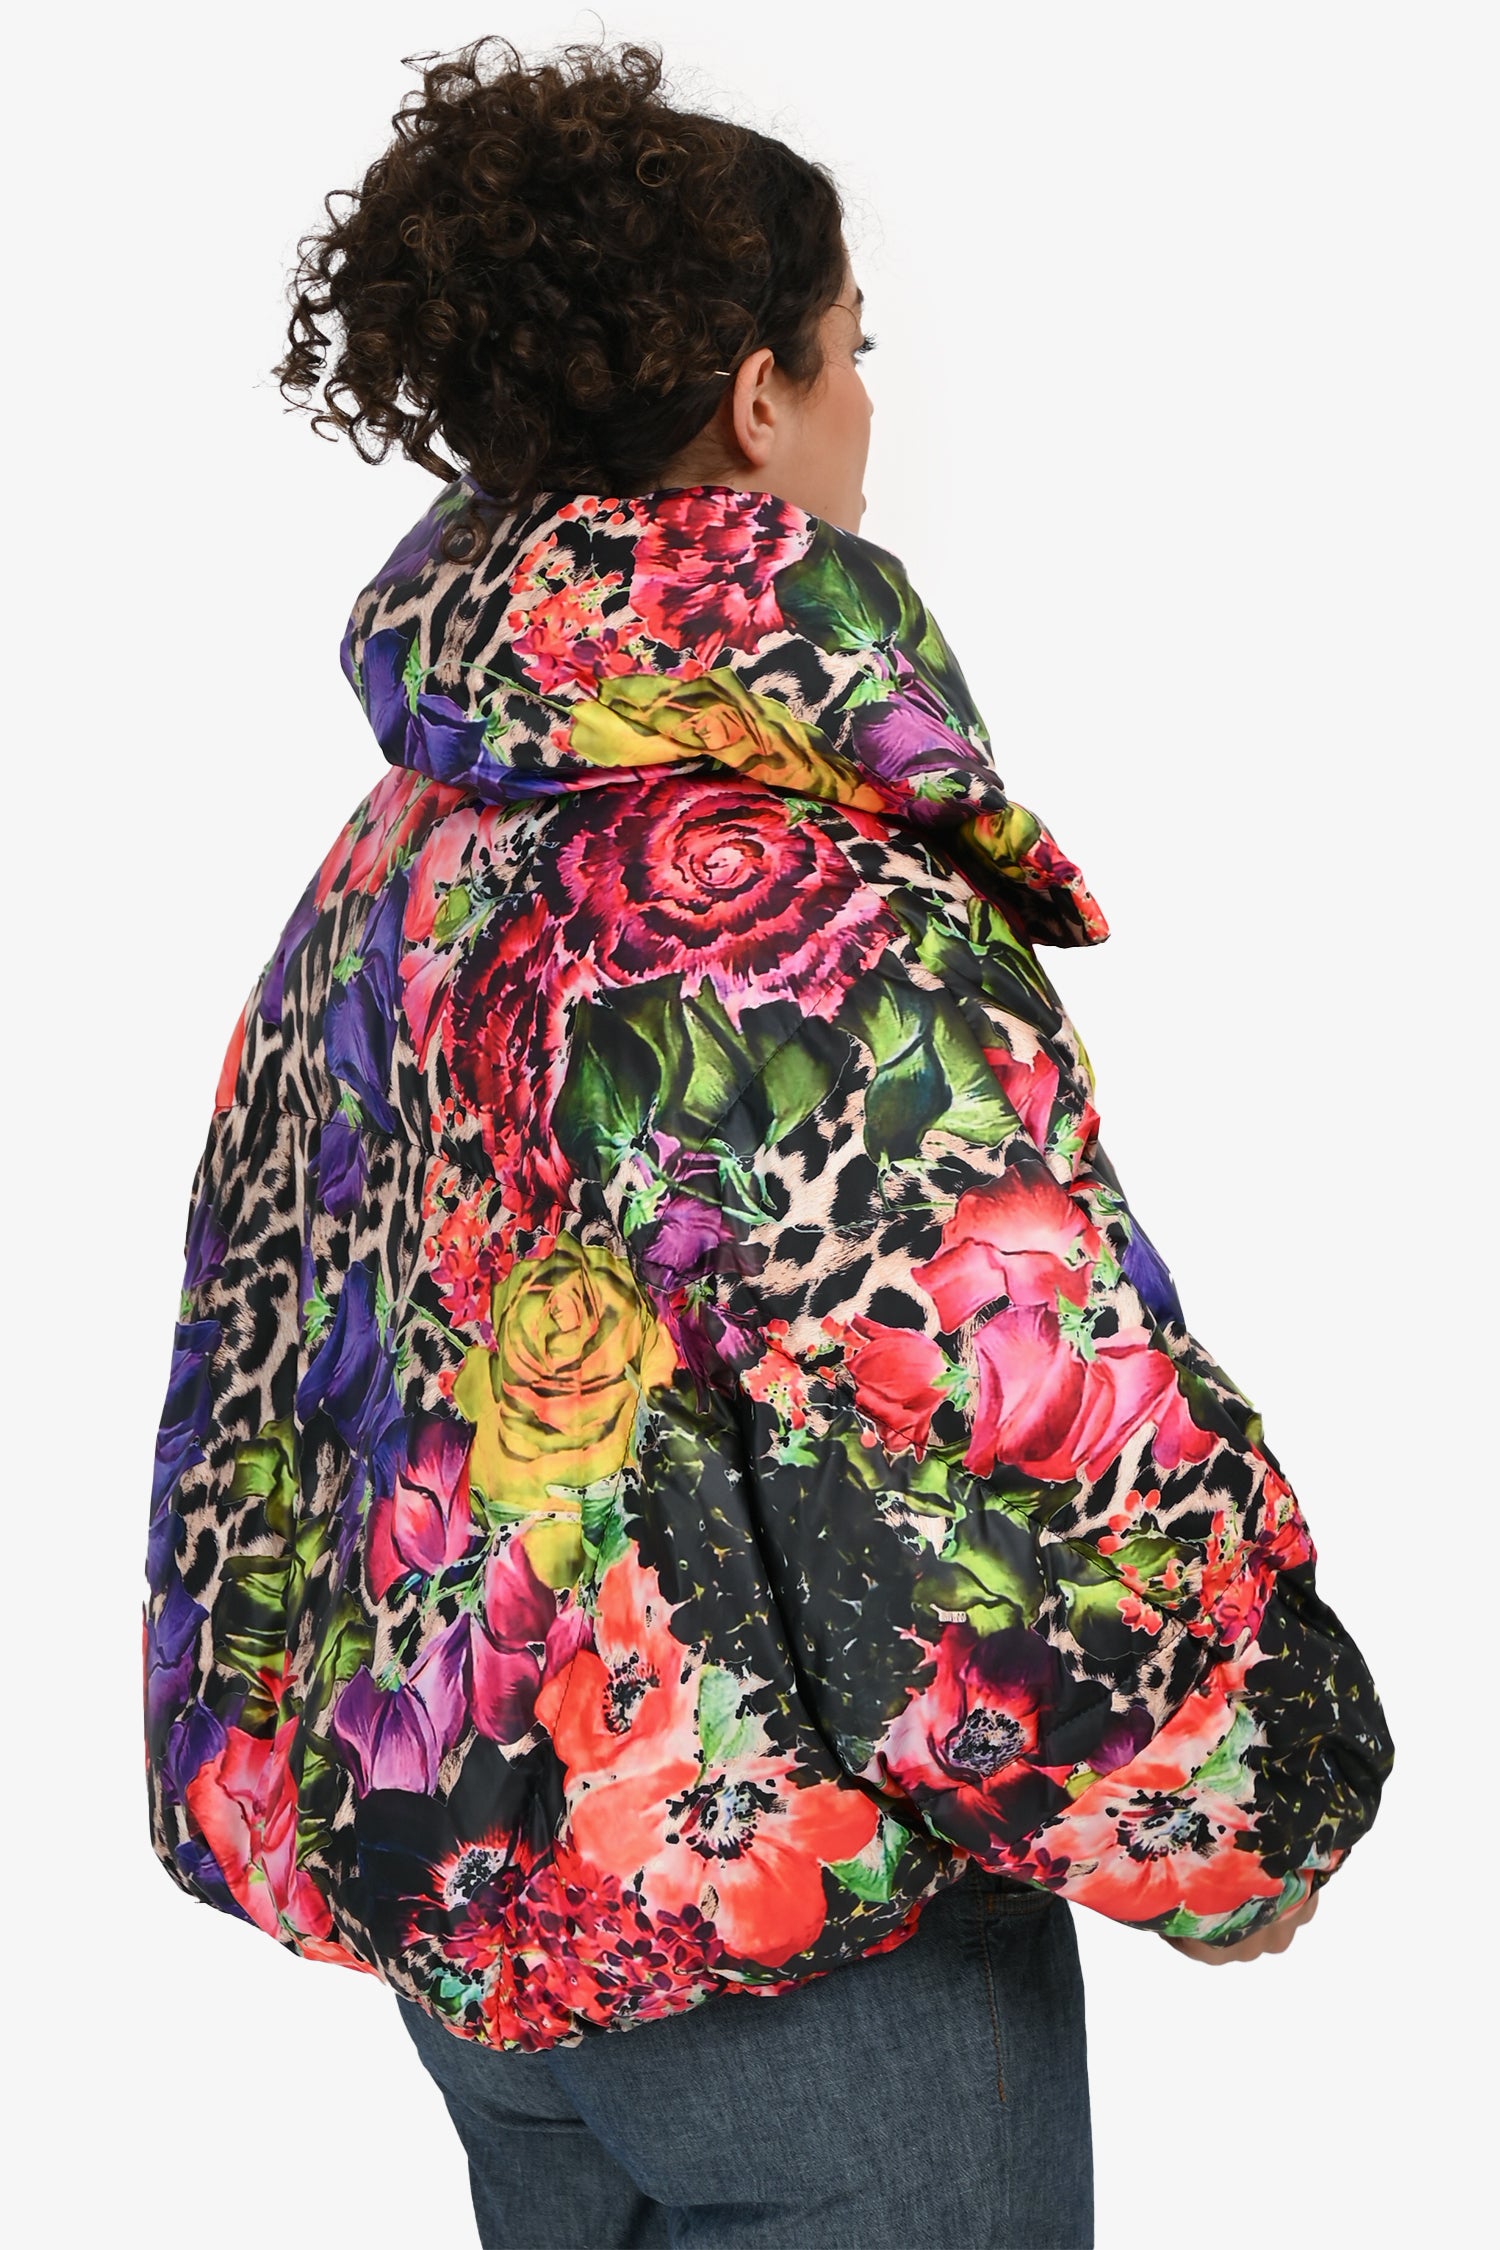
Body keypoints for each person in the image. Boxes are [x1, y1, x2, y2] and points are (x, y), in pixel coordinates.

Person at [142, 34, 1394, 2250]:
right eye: (850, 352)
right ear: (755, 400)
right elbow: (1001, 1417)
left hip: (488, 1940)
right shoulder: (787, 903)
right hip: (797, 1974)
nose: (866, 407)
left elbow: (278, 1352)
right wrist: (1242, 1797)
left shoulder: (410, 837)